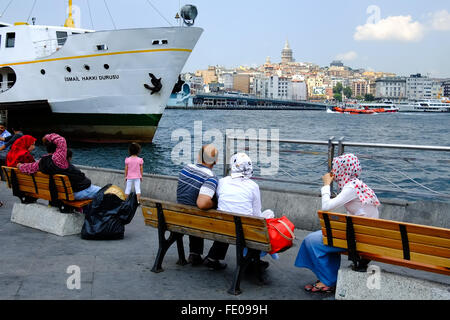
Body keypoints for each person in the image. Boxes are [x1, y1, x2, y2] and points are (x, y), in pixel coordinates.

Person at [294, 153, 380, 293]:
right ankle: (327, 278)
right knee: (322, 238)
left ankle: (328, 280)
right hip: (365, 234)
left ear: (343, 170)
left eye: (336, 169)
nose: (334, 172)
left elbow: (326, 207)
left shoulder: (351, 188)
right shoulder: (357, 185)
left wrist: (327, 185)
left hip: (360, 239)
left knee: (311, 241)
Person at [217, 152, 276, 274]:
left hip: (222, 228)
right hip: (245, 232)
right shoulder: (253, 186)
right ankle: (253, 260)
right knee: (268, 214)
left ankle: (215, 256)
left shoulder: (222, 182)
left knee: (233, 217)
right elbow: (256, 214)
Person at [176, 144, 228, 270]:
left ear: (199, 156)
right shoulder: (210, 177)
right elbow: (202, 203)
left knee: (193, 211)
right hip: (195, 220)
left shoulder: (186, 168)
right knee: (226, 223)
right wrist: (214, 203)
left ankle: (195, 253)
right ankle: (212, 258)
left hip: (177, 217)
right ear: (216, 161)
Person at [17, 133, 101, 200]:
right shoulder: (58, 160)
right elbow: (61, 140)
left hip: (62, 193)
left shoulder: (41, 162)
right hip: (78, 191)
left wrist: (19, 165)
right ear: (57, 148)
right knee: (111, 193)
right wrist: (47, 137)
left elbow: (28, 168)